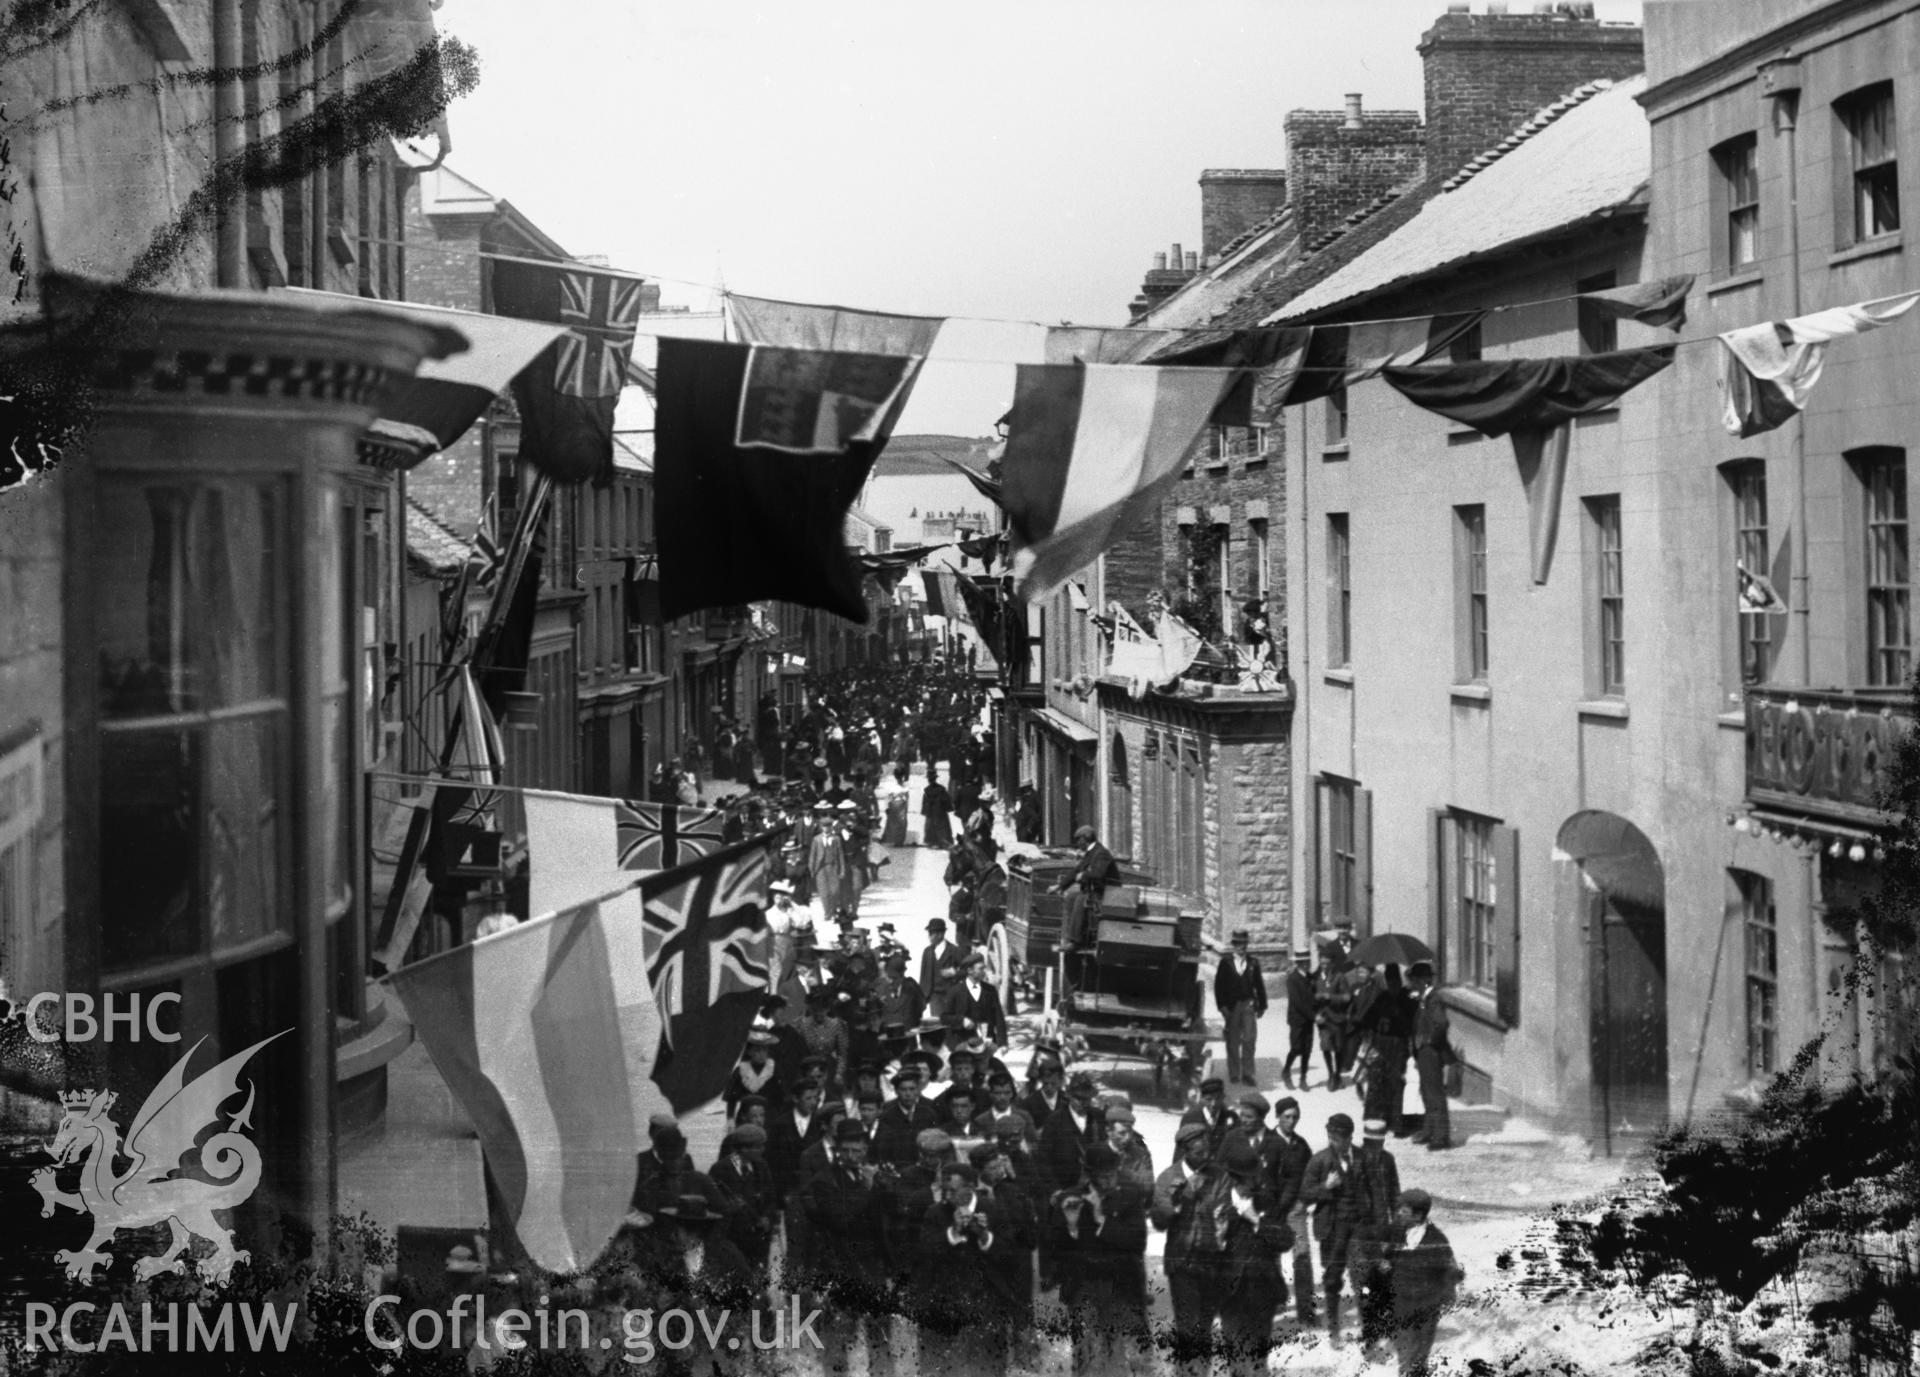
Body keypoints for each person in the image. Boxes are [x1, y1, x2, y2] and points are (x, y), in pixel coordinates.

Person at [798, 1119, 895, 1377]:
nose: (853, 1156)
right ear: (838, 1150)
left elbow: (889, 1216)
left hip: (872, 1266)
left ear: (866, 1150)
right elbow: (841, 1220)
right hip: (841, 1267)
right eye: (847, 1150)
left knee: (881, 1337)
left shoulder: (870, 1175)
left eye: (858, 1151)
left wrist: (885, 1187)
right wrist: (869, 1188)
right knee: (839, 1340)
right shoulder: (824, 1180)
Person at [1050, 1142, 1150, 1377]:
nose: (1110, 1179)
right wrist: (1072, 1226)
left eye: (1113, 1173)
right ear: (1091, 1175)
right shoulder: (1070, 1198)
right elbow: (1055, 1249)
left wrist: (1100, 1218)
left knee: (1120, 1352)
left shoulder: (1130, 1195)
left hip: (1121, 1285)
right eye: (1104, 1176)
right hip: (1083, 1286)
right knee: (1085, 1352)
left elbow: (1137, 1241)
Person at [1152, 1120, 1230, 1377]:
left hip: (1211, 1261)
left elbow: (1225, 1211)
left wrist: (1205, 1202)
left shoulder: (1219, 1175)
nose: (1204, 1156)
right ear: (1185, 1151)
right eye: (1198, 1153)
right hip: (1182, 1261)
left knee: (1205, 1326)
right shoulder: (1169, 1177)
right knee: (1188, 1326)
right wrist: (1176, 1202)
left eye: (1207, 1151)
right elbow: (1159, 1221)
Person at [1214, 1136, 1295, 1377]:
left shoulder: (1266, 1202)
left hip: (1263, 1288)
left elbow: (1286, 1240)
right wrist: (1217, 1238)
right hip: (1231, 1290)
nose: (1253, 1182)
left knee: (1259, 1360)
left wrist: (1256, 1220)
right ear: (1232, 1177)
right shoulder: (1216, 1205)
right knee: (1237, 1360)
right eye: (1247, 1178)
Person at [1385, 1188, 1465, 1377]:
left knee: (1419, 1358)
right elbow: (1387, 1258)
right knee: (1406, 1356)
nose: (1398, 1214)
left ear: (1418, 1215)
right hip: (1401, 1305)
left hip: (1426, 1307)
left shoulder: (1436, 1239)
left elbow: (1450, 1270)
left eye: (1403, 1212)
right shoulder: (1396, 1233)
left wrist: (1449, 1289)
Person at [1272, 1095, 1318, 1326]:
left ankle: (1306, 1311)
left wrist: (1303, 1202)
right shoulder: (1266, 1142)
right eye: (1287, 1117)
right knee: (1271, 1259)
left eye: (1295, 1117)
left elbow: (1310, 1177)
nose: (1291, 1121)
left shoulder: (1301, 1146)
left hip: (1294, 1211)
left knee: (1302, 1256)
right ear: (1277, 1117)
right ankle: (1273, 1303)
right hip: (1270, 1211)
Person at [1358, 964, 1416, 1136]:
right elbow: (1367, 1019)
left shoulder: (1407, 999)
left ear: (1400, 982)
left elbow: (1411, 1025)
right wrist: (1369, 1040)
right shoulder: (1382, 997)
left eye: (1395, 983)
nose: (1392, 986)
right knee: (1377, 1082)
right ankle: (1377, 1121)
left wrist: (1398, 1013)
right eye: (1389, 983)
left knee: (1396, 1082)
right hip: (1380, 1044)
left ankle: (1398, 1125)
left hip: (1398, 1045)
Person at [1407, 961, 1455, 1151]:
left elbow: (1441, 1024)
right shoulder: (1424, 999)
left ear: (1423, 980)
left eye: (1415, 980)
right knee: (1427, 1092)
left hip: (1431, 1052)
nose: (1412, 983)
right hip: (1424, 1052)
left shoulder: (1434, 999)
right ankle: (1429, 1130)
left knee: (1435, 1094)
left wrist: (1427, 1041)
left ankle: (1441, 1137)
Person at [1216, 930, 1268, 1086]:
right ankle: (1233, 1073)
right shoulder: (1225, 963)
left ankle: (1247, 1073)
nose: (1241, 947)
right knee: (1233, 1041)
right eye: (1238, 944)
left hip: (1248, 1004)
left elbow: (1259, 985)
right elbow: (1219, 986)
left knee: (1249, 1039)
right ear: (1233, 945)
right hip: (1232, 1007)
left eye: (1244, 944)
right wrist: (1222, 1006)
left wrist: (1262, 1006)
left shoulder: (1253, 963)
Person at [1055, 825, 1118, 948]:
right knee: (1071, 897)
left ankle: (1075, 941)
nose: (1078, 843)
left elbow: (1098, 873)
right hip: (1098, 892)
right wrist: (1060, 886)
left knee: (1081, 899)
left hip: (1108, 893)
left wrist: (1084, 875)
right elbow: (1076, 870)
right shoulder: (1091, 852)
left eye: (1078, 840)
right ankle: (1067, 938)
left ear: (1085, 838)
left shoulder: (1101, 853)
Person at [942, 949, 1007, 1047]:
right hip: (962, 1043)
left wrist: (1003, 1043)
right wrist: (962, 1020)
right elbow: (945, 1018)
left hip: (986, 1042)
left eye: (984, 968)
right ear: (970, 971)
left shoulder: (990, 991)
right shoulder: (955, 991)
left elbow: (999, 1017)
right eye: (981, 969)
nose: (984, 972)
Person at [1283, 946, 1317, 1091]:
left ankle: (1303, 1077)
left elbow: (1314, 997)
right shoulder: (1292, 978)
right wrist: (1314, 1015)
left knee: (1307, 1049)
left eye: (1307, 961)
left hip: (1309, 1020)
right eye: (1302, 961)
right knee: (1296, 1047)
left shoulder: (1310, 977)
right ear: (1297, 963)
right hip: (1297, 1019)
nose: (1305, 963)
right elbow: (1297, 1001)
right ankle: (1286, 1071)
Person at [917, 917, 970, 1011]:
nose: (929, 937)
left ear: (940, 934)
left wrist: (955, 973)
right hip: (934, 997)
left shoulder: (954, 951)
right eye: (929, 933)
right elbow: (923, 976)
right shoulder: (927, 952)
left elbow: (968, 970)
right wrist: (922, 998)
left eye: (931, 933)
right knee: (938, 1023)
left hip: (951, 995)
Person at [1180, 1076, 1235, 1157]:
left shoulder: (1231, 1118)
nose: (1213, 1104)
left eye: (1218, 1098)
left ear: (1223, 1097)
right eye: (1208, 1099)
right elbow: (1181, 1149)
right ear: (1201, 1099)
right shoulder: (1190, 1118)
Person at [921, 768, 954, 849]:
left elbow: (925, 803)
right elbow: (946, 800)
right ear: (935, 778)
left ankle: (933, 842)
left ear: (928, 779)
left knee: (930, 827)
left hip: (931, 813)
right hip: (941, 812)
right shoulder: (941, 789)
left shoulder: (927, 791)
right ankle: (943, 842)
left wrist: (925, 812)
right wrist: (947, 808)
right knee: (943, 827)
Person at [878, 763, 910, 847]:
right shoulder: (905, 787)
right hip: (901, 805)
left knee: (894, 823)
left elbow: (888, 798)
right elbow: (907, 799)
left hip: (894, 805)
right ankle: (898, 841)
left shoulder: (892, 787)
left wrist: (887, 807)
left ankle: (895, 840)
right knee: (901, 823)